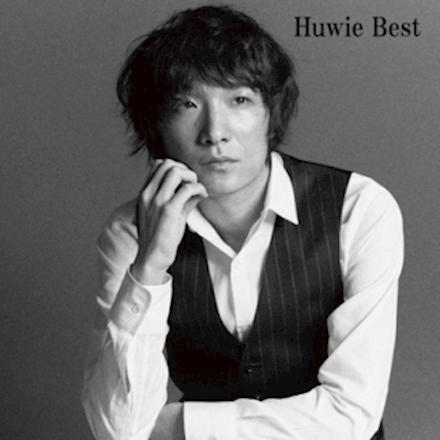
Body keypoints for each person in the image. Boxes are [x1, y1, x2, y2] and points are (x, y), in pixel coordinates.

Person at [82, 5, 404, 440]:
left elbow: (351, 416)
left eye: (239, 100)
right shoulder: (131, 232)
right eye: (187, 104)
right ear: (156, 125)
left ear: (271, 112)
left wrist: (183, 426)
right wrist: (150, 266)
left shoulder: (358, 209)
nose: (215, 132)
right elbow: (118, 428)